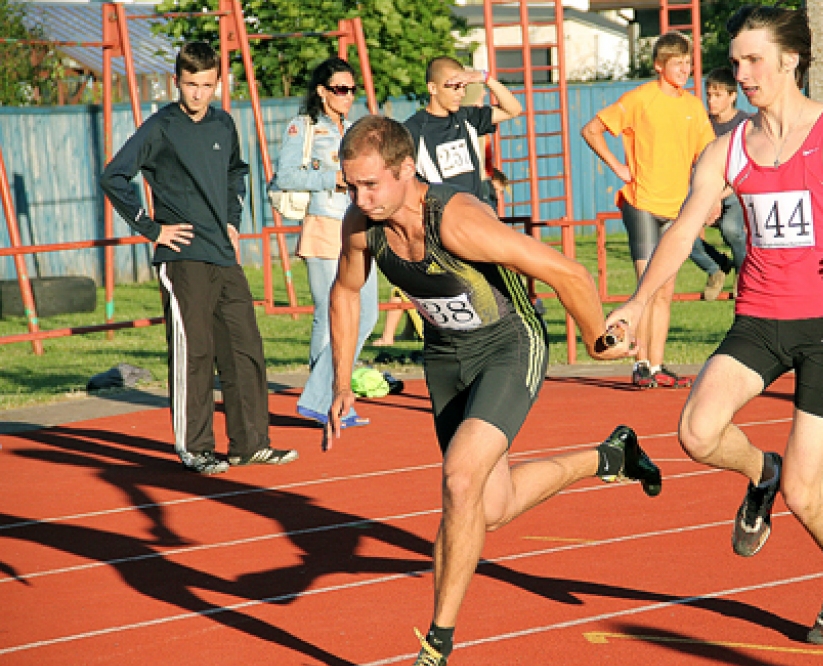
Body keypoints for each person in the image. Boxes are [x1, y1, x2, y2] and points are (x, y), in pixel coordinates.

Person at [603, 5, 823, 645]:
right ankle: (760, 473)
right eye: (736, 60)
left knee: (808, 495)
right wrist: (637, 303)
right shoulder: (728, 150)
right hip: (759, 318)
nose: (740, 73)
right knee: (696, 431)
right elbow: (686, 226)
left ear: (790, 60)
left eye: (753, 60)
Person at [324, 115, 662, 666]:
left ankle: (436, 647)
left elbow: (568, 271)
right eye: (350, 185)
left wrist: (598, 338)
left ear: (407, 170)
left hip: (509, 344)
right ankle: (612, 457)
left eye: (370, 184)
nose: (359, 198)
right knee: (492, 507)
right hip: (446, 359)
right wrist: (339, 382)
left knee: (460, 479)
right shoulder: (363, 225)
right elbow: (345, 291)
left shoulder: (457, 223)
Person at [100, 41, 298, 474]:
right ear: (178, 82)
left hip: (223, 254)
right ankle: (195, 447)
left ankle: (250, 443)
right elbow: (113, 176)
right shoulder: (160, 127)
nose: (198, 94)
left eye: (207, 85)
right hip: (182, 257)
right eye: (191, 85)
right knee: (196, 352)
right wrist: (152, 229)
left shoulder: (225, 123)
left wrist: (232, 218)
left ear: (217, 83)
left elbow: (235, 173)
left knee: (246, 348)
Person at [581, 32, 716, 389]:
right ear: (659, 65)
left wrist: (712, 198)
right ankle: (639, 361)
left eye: (688, 64)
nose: (685, 70)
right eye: (677, 64)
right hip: (641, 202)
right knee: (647, 287)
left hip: (677, 207)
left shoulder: (693, 107)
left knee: (665, 291)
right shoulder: (640, 99)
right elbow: (592, 129)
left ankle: (656, 365)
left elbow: (708, 156)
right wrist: (617, 167)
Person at [271, 57, 378, 427]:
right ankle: (330, 401)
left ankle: (326, 396)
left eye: (352, 89)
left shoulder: (355, 128)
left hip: (357, 225)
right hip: (323, 224)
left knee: (367, 313)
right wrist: (330, 179)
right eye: (339, 89)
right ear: (322, 91)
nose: (348, 95)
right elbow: (284, 174)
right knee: (329, 315)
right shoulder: (304, 128)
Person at [404, 56, 523, 203]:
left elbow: (513, 110)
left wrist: (485, 78)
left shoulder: (467, 117)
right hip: (442, 219)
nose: (461, 93)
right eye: (454, 87)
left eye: (463, 87)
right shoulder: (412, 130)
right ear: (432, 88)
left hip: (476, 212)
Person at [694, 66, 752, 300]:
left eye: (717, 95)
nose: (711, 100)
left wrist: (719, 196)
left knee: (730, 228)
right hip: (707, 191)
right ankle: (715, 267)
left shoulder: (745, 124)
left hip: (735, 190)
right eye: (708, 94)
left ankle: (744, 273)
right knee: (677, 232)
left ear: (732, 96)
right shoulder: (702, 124)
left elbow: (746, 166)